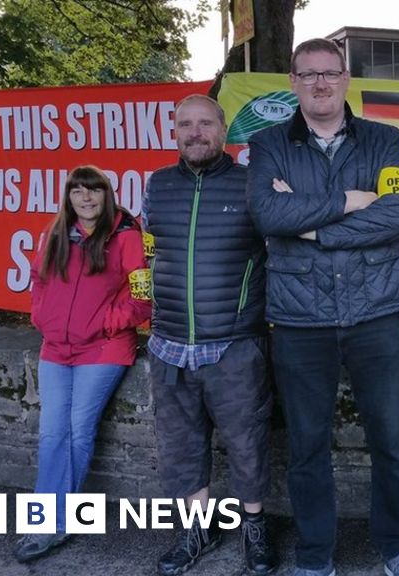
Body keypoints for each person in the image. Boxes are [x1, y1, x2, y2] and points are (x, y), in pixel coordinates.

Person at [246, 38, 399, 576]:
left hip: (379, 312)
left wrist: (311, 228)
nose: (320, 83)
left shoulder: (385, 139)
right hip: (301, 320)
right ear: (294, 82)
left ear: (346, 78)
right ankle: (316, 556)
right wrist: (349, 200)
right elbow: (267, 214)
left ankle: (396, 548)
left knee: (392, 442)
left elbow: (398, 215)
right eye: (308, 75)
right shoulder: (270, 142)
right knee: (306, 446)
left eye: (329, 73)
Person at [143, 94, 277, 576]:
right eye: (185, 125)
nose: (195, 132)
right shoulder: (155, 186)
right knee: (181, 446)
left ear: (223, 131)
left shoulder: (250, 185)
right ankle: (197, 528)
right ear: (174, 131)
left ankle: (255, 528)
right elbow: (143, 252)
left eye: (205, 124)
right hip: (169, 342)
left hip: (234, 343)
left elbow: (281, 251)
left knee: (247, 443)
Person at [15, 165, 152, 562]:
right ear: (68, 197)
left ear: (106, 195)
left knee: (77, 431)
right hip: (56, 348)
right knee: (51, 433)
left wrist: (102, 325)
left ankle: (49, 525)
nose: (86, 199)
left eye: (94, 191)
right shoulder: (54, 232)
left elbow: (142, 298)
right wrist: (42, 318)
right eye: (78, 191)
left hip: (104, 349)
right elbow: (38, 281)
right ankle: (51, 519)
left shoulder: (127, 237)